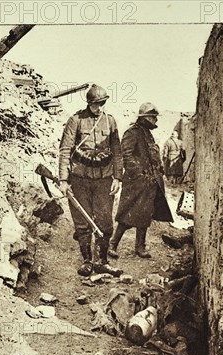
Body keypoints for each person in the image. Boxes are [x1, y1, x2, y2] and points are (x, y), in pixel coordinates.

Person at [58, 84, 123, 277]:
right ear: (89, 103)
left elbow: (117, 152)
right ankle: (87, 261)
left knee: (105, 222)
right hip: (80, 180)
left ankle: (102, 261)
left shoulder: (110, 122)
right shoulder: (75, 120)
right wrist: (63, 179)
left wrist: (118, 177)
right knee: (83, 222)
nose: (100, 107)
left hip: (104, 179)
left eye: (103, 103)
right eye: (96, 104)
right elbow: (64, 150)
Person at [109, 102, 173, 259]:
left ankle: (140, 246)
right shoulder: (133, 133)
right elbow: (126, 155)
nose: (156, 121)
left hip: (150, 183)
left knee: (146, 214)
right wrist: (139, 172)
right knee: (128, 214)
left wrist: (159, 169)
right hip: (136, 182)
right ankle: (113, 244)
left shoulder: (147, 133)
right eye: (153, 117)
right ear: (146, 118)